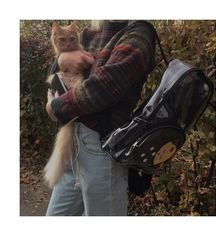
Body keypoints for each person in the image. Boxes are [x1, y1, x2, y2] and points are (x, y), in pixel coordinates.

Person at [45, 20, 156, 216]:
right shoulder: (90, 31)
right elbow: (57, 74)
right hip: (72, 142)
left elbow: (103, 88)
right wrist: (60, 60)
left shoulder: (138, 31)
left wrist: (56, 107)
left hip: (100, 145)